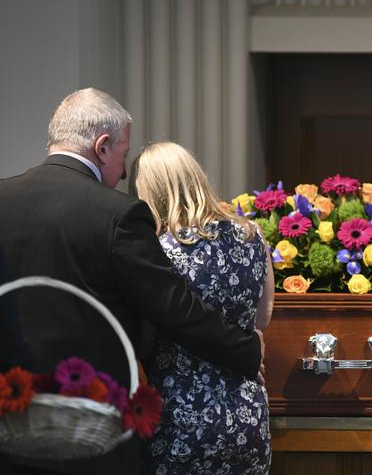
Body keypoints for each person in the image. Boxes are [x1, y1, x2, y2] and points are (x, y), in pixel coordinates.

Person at [0, 88, 263, 475]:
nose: (123, 173)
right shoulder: (117, 214)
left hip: (11, 419)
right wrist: (246, 350)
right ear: (102, 146)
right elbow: (173, 307)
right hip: (92, 427)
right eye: (123, 156)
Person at [130, 142, 274, 475]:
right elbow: (263, 317)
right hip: (246, 412)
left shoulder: (157, 250)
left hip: (179, 413)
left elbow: (147, 333)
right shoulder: (253, 236)